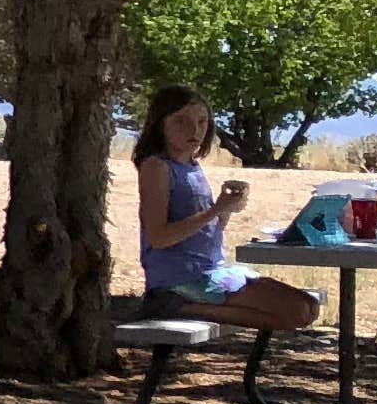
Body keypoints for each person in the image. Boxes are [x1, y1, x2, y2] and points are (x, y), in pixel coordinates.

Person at [131, 85, 316, 331]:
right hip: (180, 279)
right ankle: (177, 306)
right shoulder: (156, 167)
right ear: (160, 124)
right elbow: (159, 237)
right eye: (181, 121)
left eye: (202, 122)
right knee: (297, 310)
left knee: (309, 307)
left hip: (213, 270)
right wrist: (215, 210)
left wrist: (226, 208)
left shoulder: (192, 165)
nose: (194, 130)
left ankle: (189, 308)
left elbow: (206, 230)